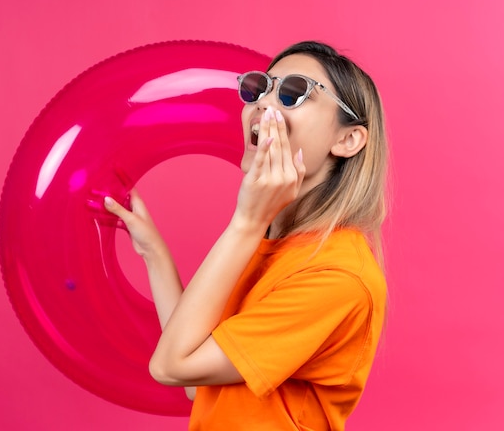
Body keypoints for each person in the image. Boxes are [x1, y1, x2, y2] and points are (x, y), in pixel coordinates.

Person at [103, 40, 388, 431]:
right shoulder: (269, 243)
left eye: (293, 92)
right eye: (258, 88)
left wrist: (248, 222)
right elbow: (195, 379)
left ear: (347, 140)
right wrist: (154, 253)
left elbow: (171, 366)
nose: (264, 104)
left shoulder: (338, 276)